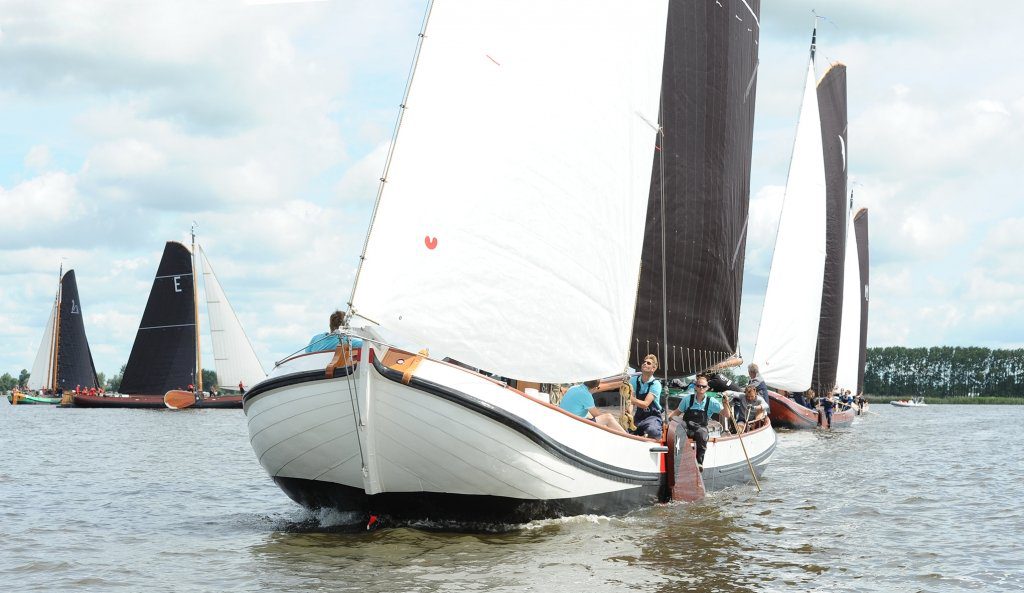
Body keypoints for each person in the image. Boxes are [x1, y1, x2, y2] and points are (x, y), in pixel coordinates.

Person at [668, 374, 723, 469]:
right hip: (687, 426)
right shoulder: (687, 399)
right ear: (695, 387)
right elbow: (677, 412)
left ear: (707, 388)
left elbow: (727, 415)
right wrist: (668, 420)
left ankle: (699, 463)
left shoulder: (712, 401)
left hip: (700, 428)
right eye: (698, 386)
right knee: (678, 425)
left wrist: (725, 403)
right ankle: (678, 457)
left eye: (703, 386)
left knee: (702, 433)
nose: (701, 388)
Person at [559, 379, 628, 434]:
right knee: (608, 418)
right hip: (573, 424)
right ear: (595, 388)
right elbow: (597, 415)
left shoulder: (573, 388)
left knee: (591, 417)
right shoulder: (586, 395)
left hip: (564, 419)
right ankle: (627, 437)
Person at [628, 354, 663, 439]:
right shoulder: (634, 380)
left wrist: (630, 398)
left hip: (653, 417)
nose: (644, 364)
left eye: (648, 363)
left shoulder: (656, 384)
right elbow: (631, 403)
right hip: (639, 416)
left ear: (653, 369)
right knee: (626, 429)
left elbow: (645, 404)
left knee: (652, 431)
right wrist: (628, 414)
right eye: (644, 362)